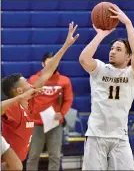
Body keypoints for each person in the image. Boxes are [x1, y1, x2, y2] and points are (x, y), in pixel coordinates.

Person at [1, 22, 79, 166]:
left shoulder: (29, 99)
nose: (31, 84)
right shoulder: (14, 106)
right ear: (18, 91)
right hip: (7, 162)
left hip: (16, 162)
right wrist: (19, 98)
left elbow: (48, 71)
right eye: (26, 83)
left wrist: (66, 46)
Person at [79, 4, 134, 170]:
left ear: (128, 56)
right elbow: (84, 59)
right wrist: (100, 35)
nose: (113, 52)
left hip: (120, 137)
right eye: (112, 48)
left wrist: (128, 23)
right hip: (95, 135)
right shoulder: (100, 68)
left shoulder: (132, 74)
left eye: (118, 49)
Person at [27, 52, 73, 171]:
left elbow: (68, 100)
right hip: (36, 124)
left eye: (54, 63)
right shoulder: (33, 80)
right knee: (33, 156)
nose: (51, 66)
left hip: (54, 124)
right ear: (43, 64)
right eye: (49, 64)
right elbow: (27, 100)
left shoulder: (64, 81)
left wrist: (62, 113)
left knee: (55, 156)